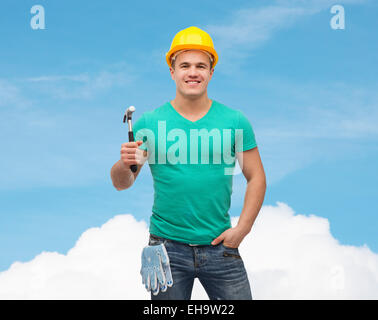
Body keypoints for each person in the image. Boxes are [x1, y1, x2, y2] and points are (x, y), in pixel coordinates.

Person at [110, 26, 266, 300]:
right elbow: (123, 183)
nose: (192, 72)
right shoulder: (149, 123)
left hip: (221, 248)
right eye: (184, 65)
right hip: (167, 249)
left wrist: (242, 229)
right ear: (172, 71)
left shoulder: (235, 121)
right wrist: (124, 164)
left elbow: (256, 177)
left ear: (211, 72)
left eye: (200, 66)